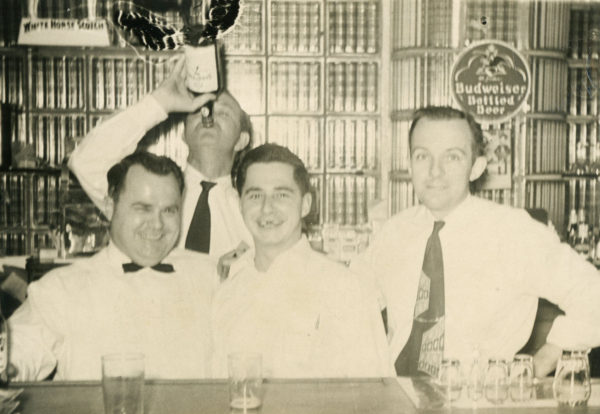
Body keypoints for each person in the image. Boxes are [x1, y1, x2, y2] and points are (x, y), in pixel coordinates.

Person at [352, 106, 600, 379]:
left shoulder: (515, 232)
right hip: (400, 401)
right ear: (410, 163)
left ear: (476, 167)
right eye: (422, 156)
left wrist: (543, 360)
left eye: (452, 157)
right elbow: (348, 301)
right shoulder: (393, 232)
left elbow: (594, 295)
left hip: (480, 405)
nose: (435, 171)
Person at [9, 152, 218, 381]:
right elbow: (16, 352)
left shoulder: (210, 276)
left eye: (169, 210)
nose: (157, 225)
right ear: (109, 207)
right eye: (143, 208)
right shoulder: (61, 289)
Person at [211, 144, 391, 378]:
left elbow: (374, 393)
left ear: (306, 204)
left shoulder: (345, 288)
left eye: (281, 195)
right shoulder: (227, 292)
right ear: (240, 205)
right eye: (255, 195)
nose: (267, 209)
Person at [68, 58, 253, 257]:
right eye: (198, 110)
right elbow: (86, 162)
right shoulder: (143, 193)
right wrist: (159, 103)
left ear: (241, 140)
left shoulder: (253, 214)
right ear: (184, 134)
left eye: (224, 113)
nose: (208, 116)